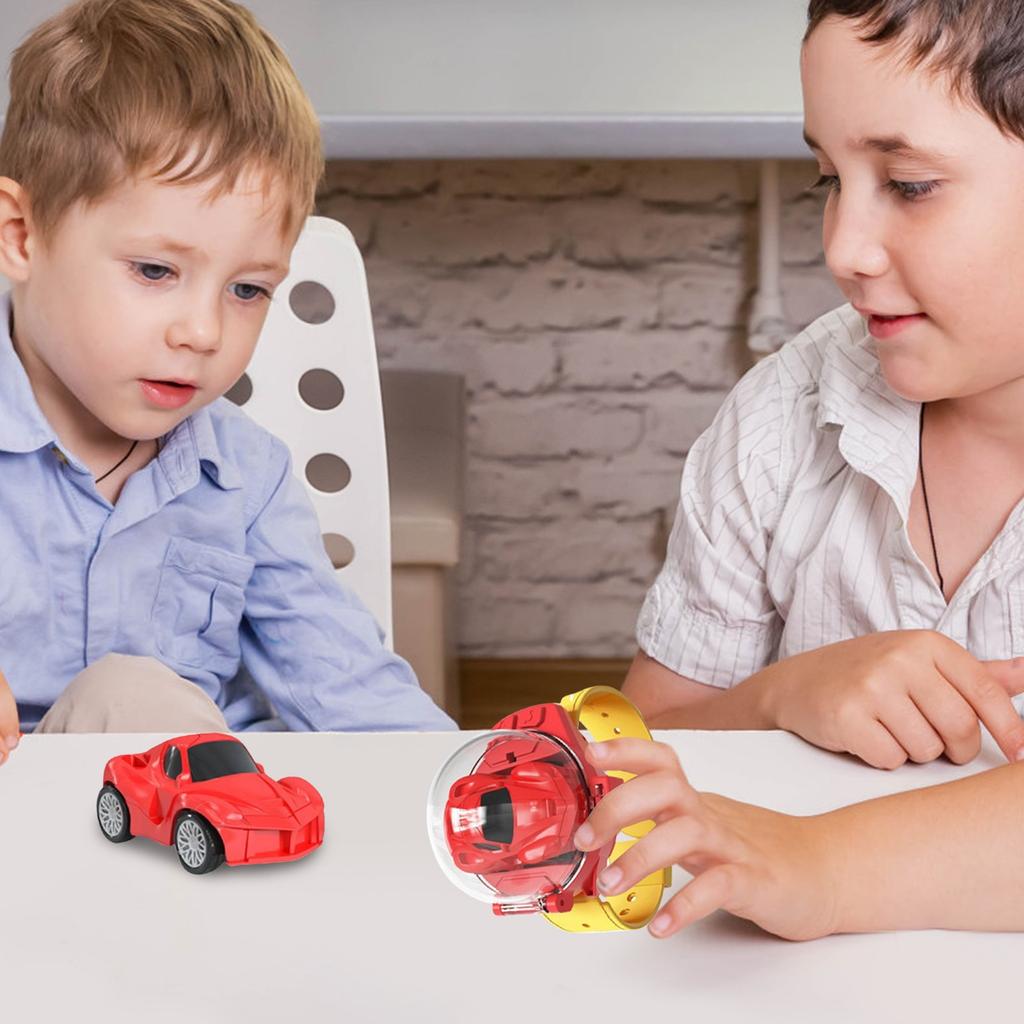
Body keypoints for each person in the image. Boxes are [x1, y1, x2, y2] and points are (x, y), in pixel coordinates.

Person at [581, 0, 1024, 940]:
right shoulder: (788, 412)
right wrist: (784, 695)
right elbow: (645, 743)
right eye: (829, 179)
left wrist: (821, 866)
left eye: (907, 184)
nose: (842, 250)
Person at [0, 0, 453, 764]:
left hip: (195, 814)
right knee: (129, 698)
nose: (204, 332)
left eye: (247, 290)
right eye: (155, 271)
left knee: (140, 702)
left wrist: (477, 784)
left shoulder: (247, 478)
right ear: (21, 235)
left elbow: (352, 693)